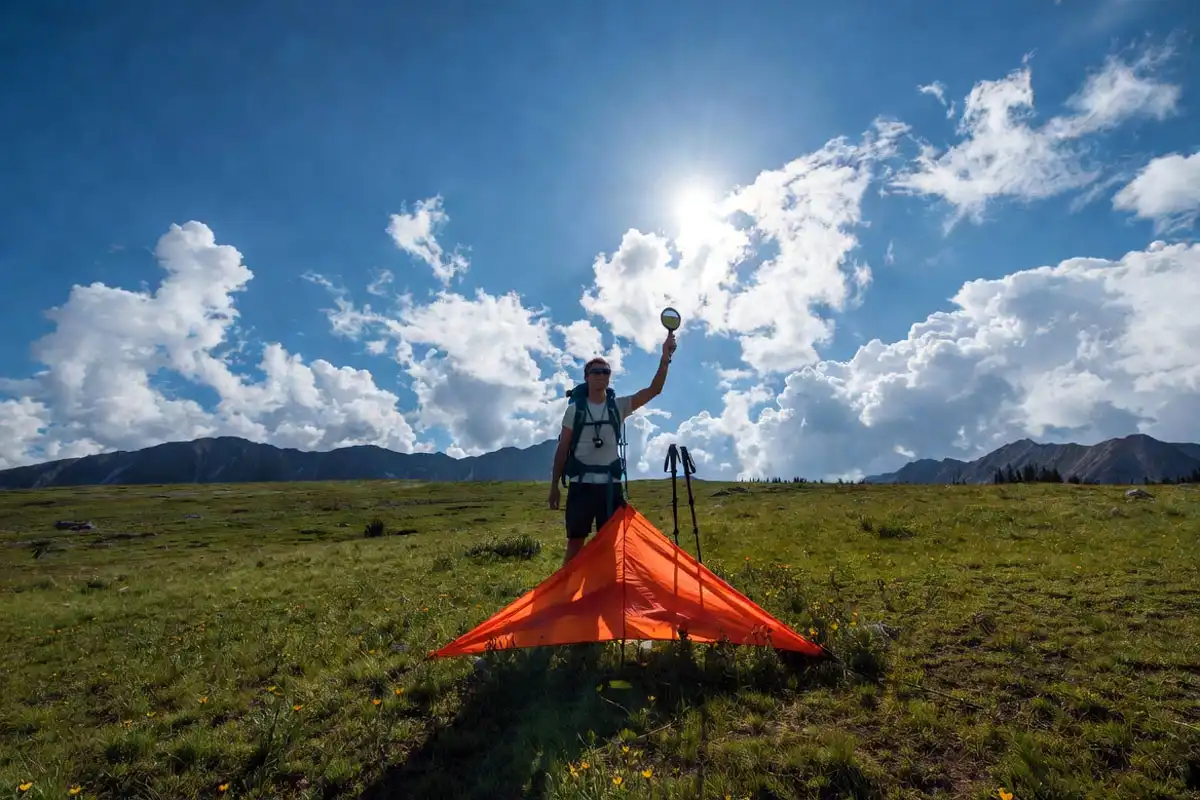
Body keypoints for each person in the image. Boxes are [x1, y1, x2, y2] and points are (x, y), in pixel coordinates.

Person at [549, 331, 677, 566]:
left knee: (610, 544)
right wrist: (554, 486)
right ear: (586, 377)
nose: (601, 376)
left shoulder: (619, 407)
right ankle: (565, 597)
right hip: (581, 485)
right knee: (575, 544)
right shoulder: (574, 410)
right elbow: (562, 448)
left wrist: (665, 358)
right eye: (596, 372)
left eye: (606, 372)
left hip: (610, 488)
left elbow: (654, 390)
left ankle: (603, 595)